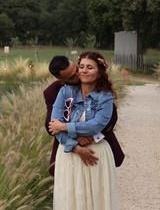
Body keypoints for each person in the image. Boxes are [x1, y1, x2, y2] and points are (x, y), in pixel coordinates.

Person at [48, 51, 120, 210]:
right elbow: (54, 126)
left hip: (95, 153)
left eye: (89, 67)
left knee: (98, 199)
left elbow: (97, 124)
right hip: (70, 154)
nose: (82, 71)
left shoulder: (105, 96)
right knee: (71, 200)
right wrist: (75, 146)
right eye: (81, 67)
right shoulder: (64, 92)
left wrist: (65, 126)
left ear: (99, 71)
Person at [43, 56, 124, 176]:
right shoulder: (53, 92)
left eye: (76, 68)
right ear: (60, 79)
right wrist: (75, 142)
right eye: (71, 76)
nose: (78, 74)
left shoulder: (94, 82)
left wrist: (92, 134)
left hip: (98, 142)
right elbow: (52, 126)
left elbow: (111, 118)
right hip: (69, 149)